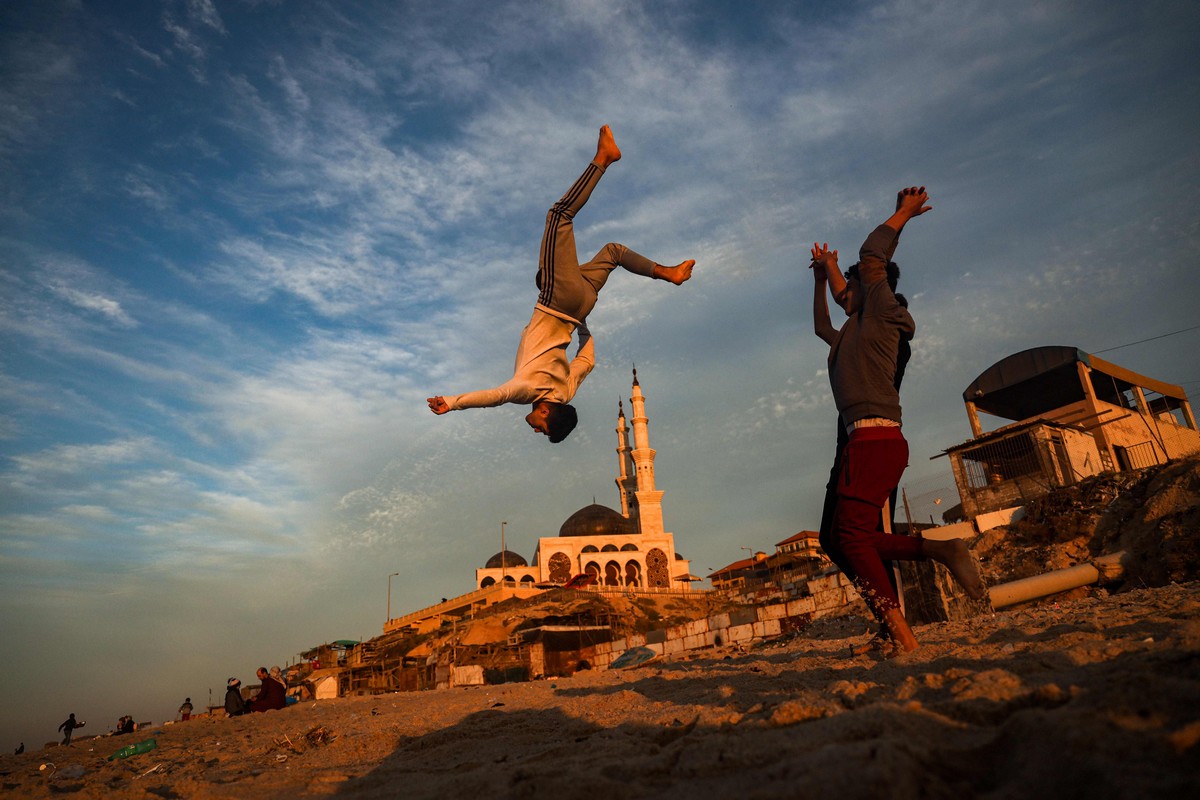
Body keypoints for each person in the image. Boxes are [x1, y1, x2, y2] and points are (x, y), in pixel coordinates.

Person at [428, 125, 695, 443]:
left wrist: (582, 320)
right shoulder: (527, 391)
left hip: (581, 304)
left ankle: (669, 273)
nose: (535, 430)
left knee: (613, 252)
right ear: (544, 413)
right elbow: (494, 396)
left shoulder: (566, 391)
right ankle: (604, 159)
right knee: (558, 215)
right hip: (559, 302)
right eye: (542, 428)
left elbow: (587, 358)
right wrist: (453, 403)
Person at [809, 186, 986, 653]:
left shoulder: (884, 313)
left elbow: (872, 257)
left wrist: (902, 213)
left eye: (852, 287)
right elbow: (823, 326)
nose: (843, 293)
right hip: (861, 439)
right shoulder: (851, 331)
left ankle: (904, 628)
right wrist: (821, 276)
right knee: (845, 539)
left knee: (856, 538)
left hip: (876, 438)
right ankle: (938, 557)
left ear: (872, 286)